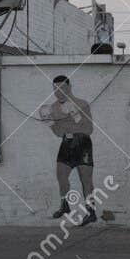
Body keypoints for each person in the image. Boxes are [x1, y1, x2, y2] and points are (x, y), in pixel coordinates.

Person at [38, 75, 96, 222]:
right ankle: (65, 205)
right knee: (61, 176)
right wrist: (49, 122)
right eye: (55, 89)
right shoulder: (53, 108)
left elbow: (89, 129)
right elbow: (58, 133)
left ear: (69, 88)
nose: (58, 92)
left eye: (62, 88)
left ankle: (91, 211)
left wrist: (75, 116)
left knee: (86, 179)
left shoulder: (82, 104)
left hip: (82, 143)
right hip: (66, 143)